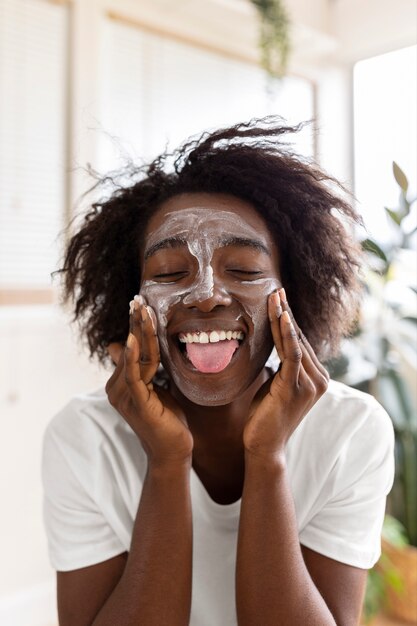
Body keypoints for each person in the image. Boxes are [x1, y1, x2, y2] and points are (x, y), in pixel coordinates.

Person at [42, 118, 395, 626]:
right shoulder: (84, 437)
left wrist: (267, 456)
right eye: (168, 273)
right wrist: (166, 463)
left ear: (293, 294)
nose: (206, 294)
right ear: (129, 297)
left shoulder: (351, 431)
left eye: (245, 270)